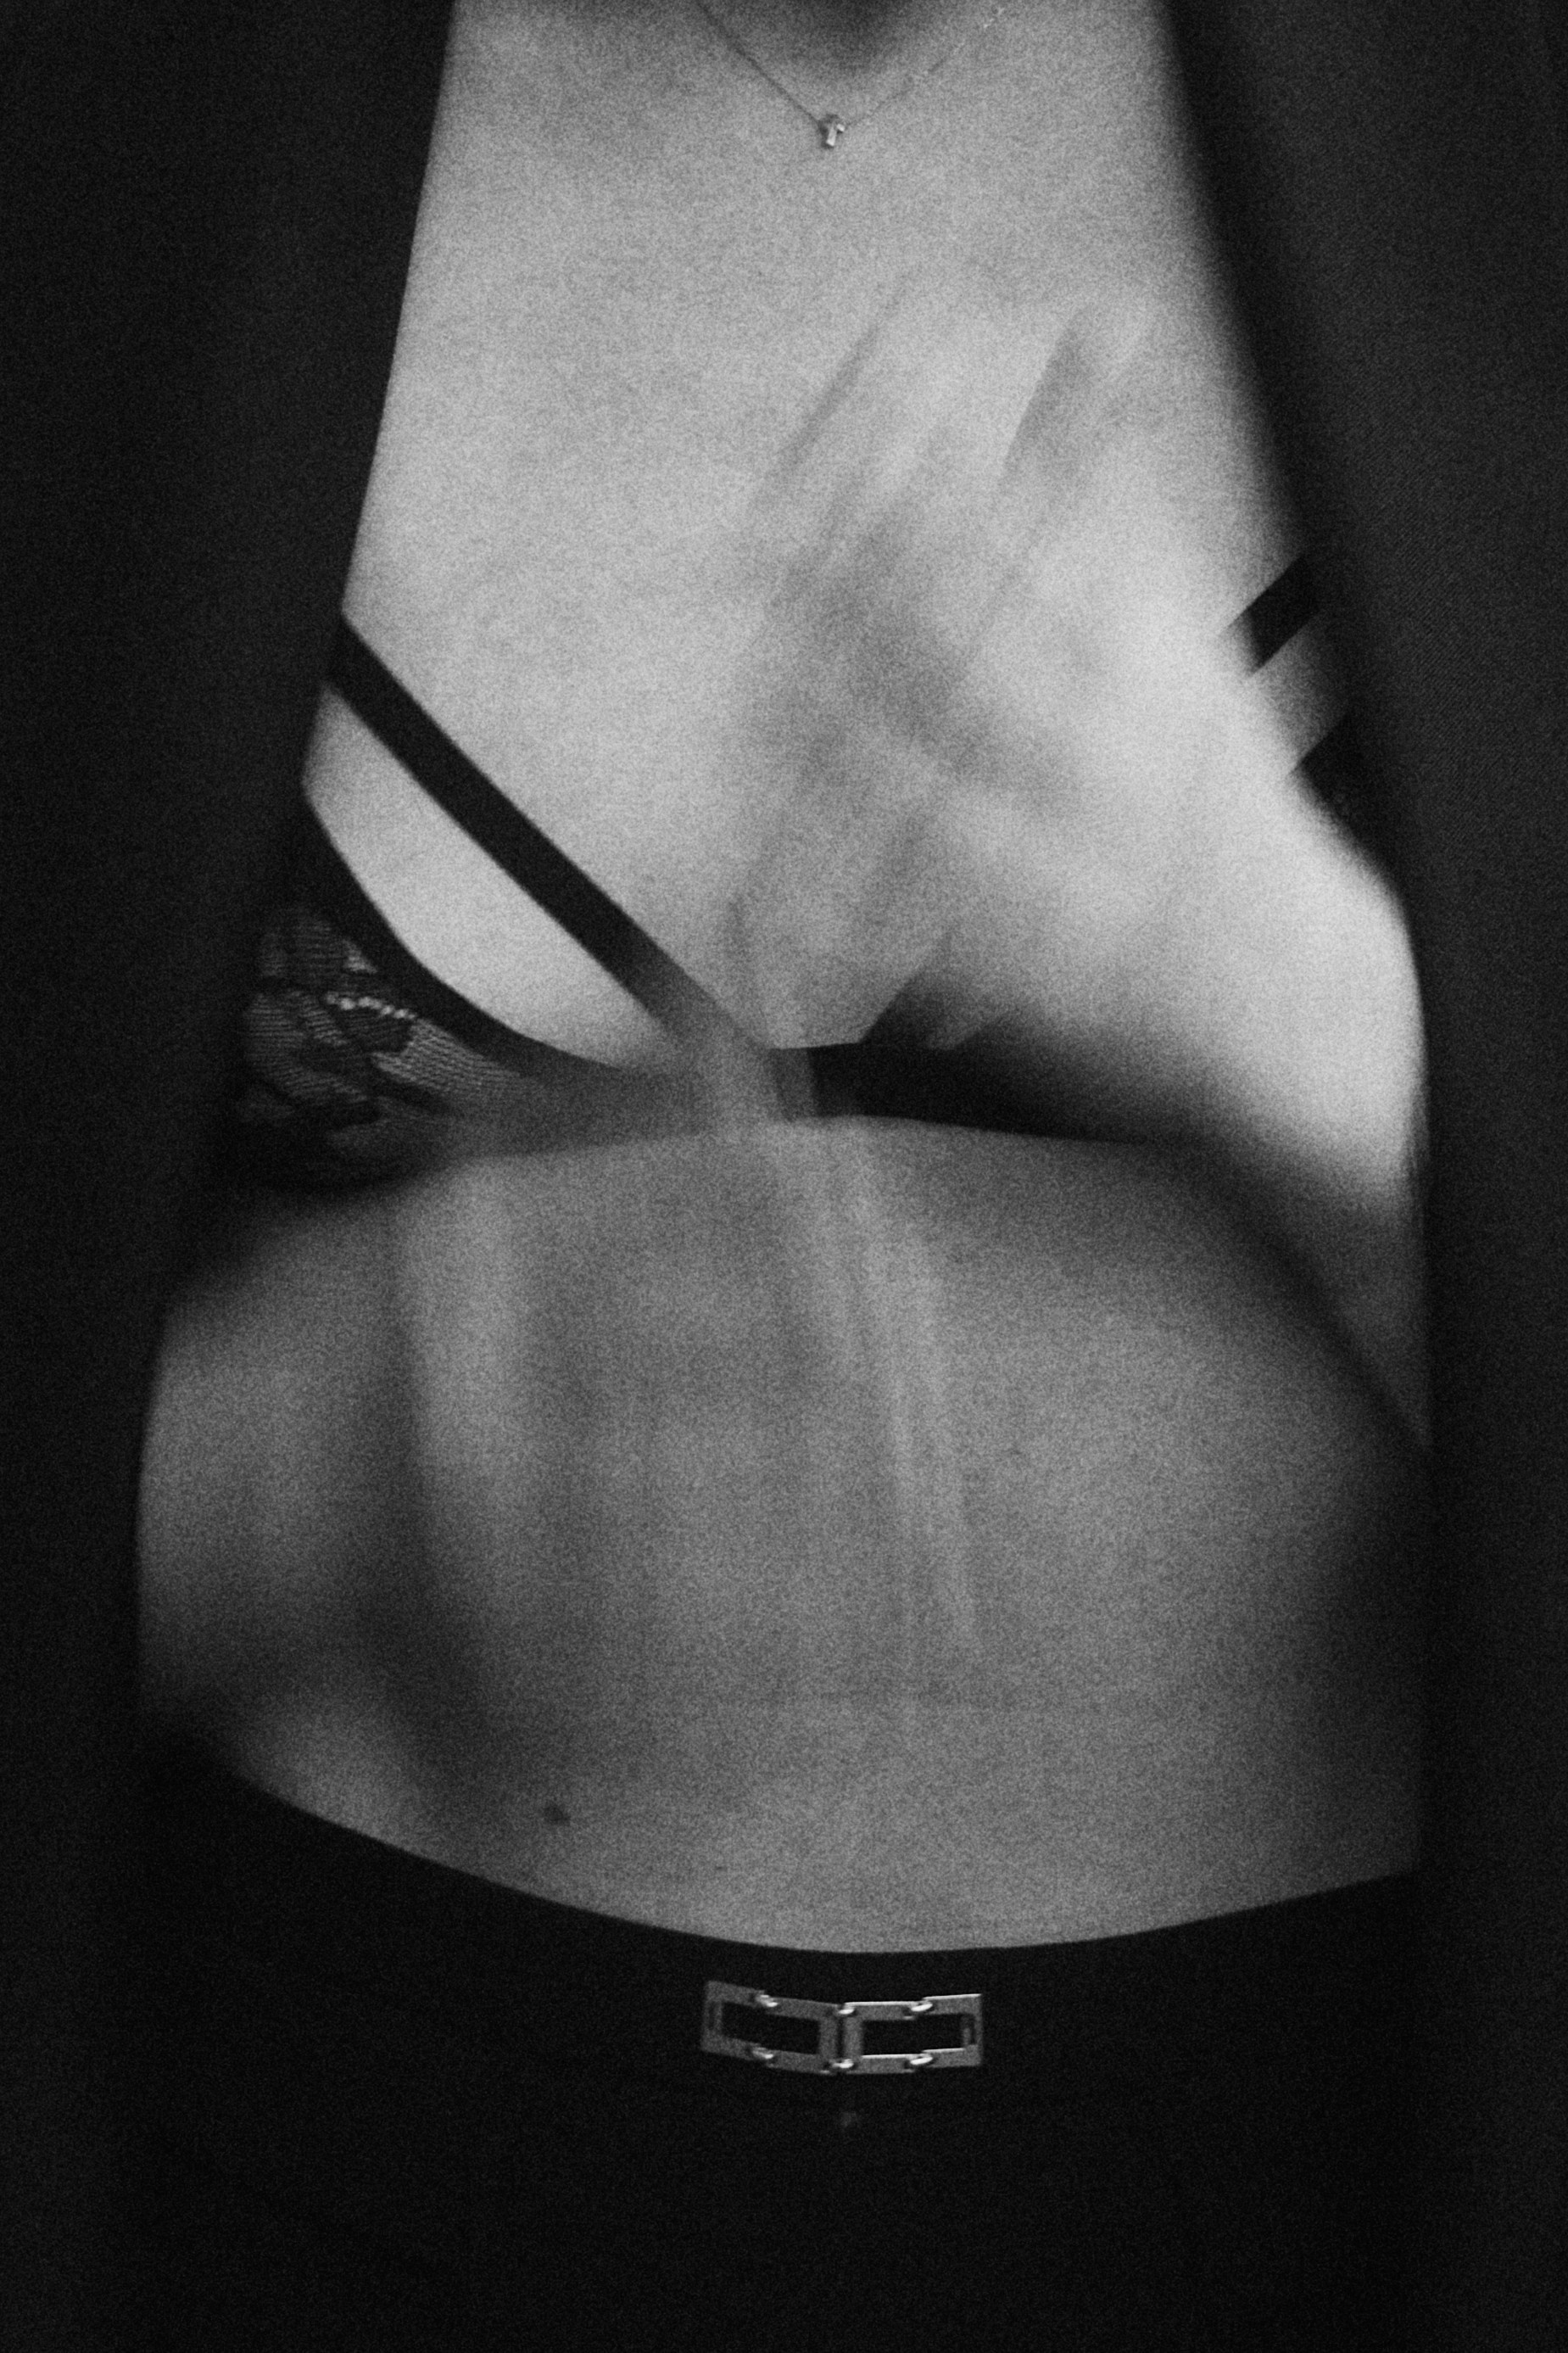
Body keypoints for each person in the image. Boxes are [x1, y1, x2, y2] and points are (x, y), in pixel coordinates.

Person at [2, 3, 1565, 2347]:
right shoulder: (91, 121)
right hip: (322, 2165)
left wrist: (1328, 1042)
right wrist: (324, 1438)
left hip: (1319, 2199)